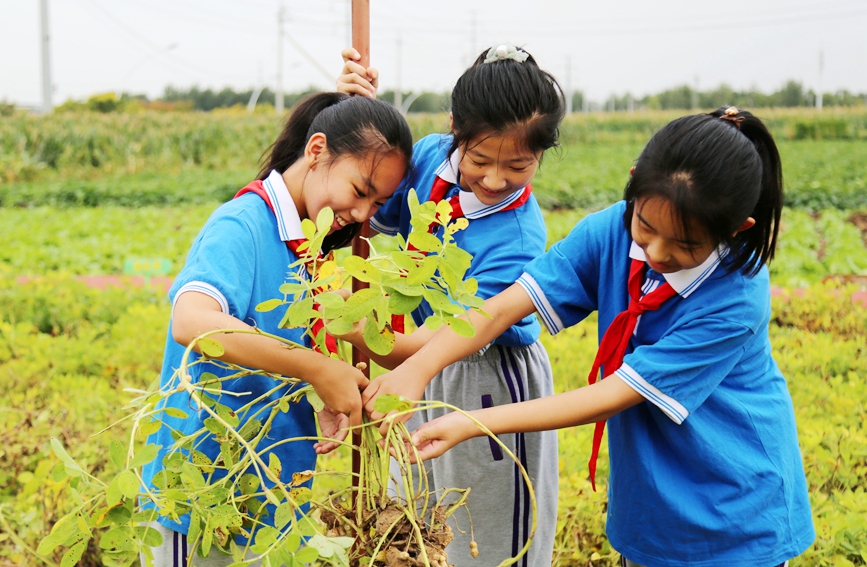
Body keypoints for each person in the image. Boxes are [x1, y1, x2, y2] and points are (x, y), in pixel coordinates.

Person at [380, 108, 816, 567]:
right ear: (633, 185)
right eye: (646, 227)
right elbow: (506, 306)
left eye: (687, 245)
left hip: (736, 515)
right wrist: (418, 368)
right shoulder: (610, 231)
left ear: (736, 229)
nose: (658, 253)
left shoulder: (735, 297)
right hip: (650, 501)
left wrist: (472, 422)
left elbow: (614, 394)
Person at [140, 92, 413, 567]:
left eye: (379, 202)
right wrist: (317, 368)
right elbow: (192, 321)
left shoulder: (307, 244)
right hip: (198, 492)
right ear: (316, 151)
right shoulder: (242, 224)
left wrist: (317, 384)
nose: (364, 213)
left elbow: (275, 344)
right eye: (360, 190)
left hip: (268, 491)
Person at [336, 44, 565, 567]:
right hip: (419, 369)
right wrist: (354, 113)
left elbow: (459, 334)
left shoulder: (519, 236)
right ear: (455, 131)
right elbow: (367, 202)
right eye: (480, 159)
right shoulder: (429, 158)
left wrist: (361, 335)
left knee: (485, 538)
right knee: (413, 525)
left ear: (541, 156)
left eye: (519, 166)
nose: (493, 179)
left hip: (486, 379)